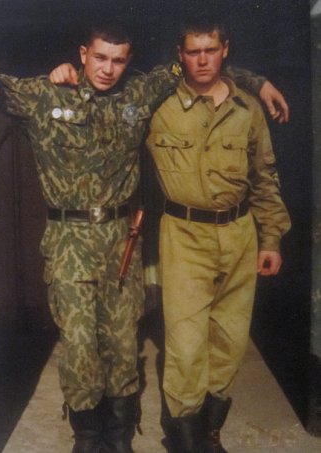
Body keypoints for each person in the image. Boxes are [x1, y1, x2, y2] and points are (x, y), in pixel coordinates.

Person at [0, 19, 287, 453]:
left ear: (129, 61)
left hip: (122, 239)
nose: (108, 69)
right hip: (69, 240)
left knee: (122, 345)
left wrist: (258, 82)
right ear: (83, 54)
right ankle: (87, 436)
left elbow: (201, 67)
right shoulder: (48, 94)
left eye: (118, 60)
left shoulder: (140, 92)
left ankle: (119, 437)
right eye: (99, 57)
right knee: (79, 345)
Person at [144, 15, 291, 453]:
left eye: (211, 50)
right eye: (193, 52)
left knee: (229, 343)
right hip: (184, 234)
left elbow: (264, 177)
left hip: (240, 235)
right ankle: (184, 441)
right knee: (186, 345)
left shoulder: (248, 109)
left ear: (225, 50)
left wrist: (271, 238)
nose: (203, 60)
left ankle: (209, 434)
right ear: (180, 55)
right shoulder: (159, 104)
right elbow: (111, 85)